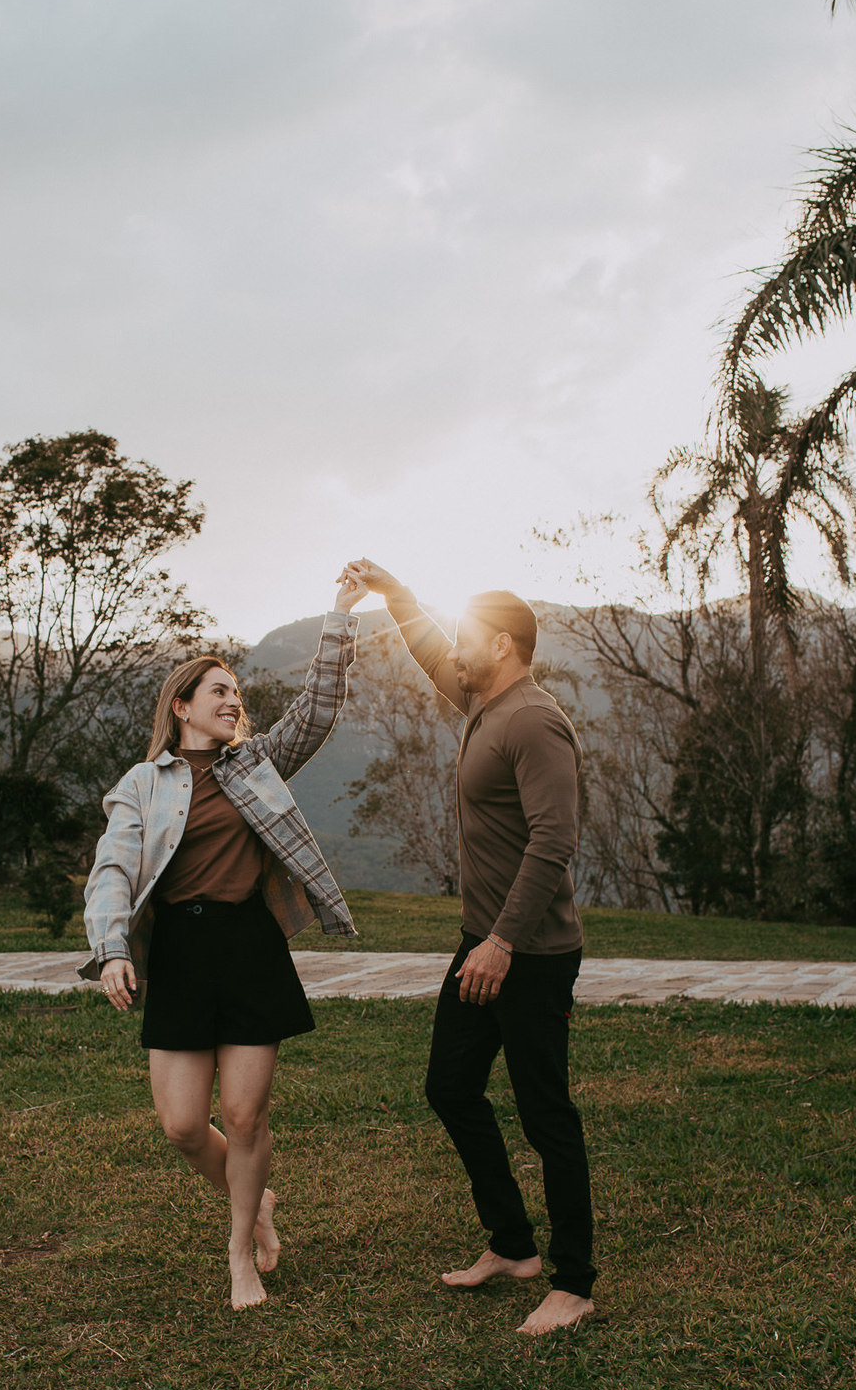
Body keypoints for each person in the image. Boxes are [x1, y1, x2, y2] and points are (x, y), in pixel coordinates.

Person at [80, 572, 367, 1310]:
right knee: (182, 1124)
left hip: (248, 946)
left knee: (244, 1117)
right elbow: (113, 868)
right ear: (181, 706)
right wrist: (112, 947)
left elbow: (317, 709)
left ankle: (241, 1252)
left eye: (236, 692)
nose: (234, 701)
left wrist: (339, 615)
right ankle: (257, 1200)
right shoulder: (143, 784)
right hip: (180, 951)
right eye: (219, 691)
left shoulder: (256, 763)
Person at [342, 559, 595, 1336]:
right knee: (450, 1086)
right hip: (481, 943)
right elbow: (430, 654)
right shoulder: (487, 705)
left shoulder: (534, 721)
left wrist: (503, 943)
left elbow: (554, 840)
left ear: (504, 645)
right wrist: (397, 596)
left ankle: (574, 1284)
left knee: (545, 1113)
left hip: (530, 953)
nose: (454, 650)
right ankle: (513, 1245)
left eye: (466, 638)